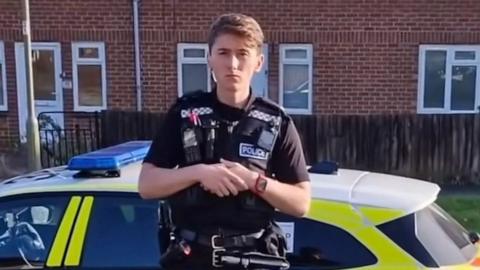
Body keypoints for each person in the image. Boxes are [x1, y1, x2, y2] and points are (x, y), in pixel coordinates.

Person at [138, 13, 311, 270]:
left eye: (242, 54)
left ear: (258, 62)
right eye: (223, 53)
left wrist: (254, 181)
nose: (232, 63)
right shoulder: (185, 114)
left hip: (253, 258)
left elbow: (301, 203)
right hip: (193, 258)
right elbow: (147, 185)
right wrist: (199, 173)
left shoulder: (276, 122)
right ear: (209, 58)